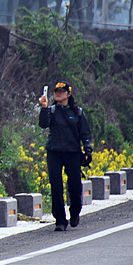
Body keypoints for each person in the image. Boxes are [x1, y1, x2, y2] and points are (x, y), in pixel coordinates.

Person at [38, 80, 93, 232]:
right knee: (56, 186)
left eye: (61, 91)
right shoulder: (52, 110)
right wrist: (44, 108)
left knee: (74, 186)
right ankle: (60, 221)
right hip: (55, 153)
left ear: (69, 94)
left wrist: (88, 150)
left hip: (72, 153)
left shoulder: (78, 112)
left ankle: (75, 212)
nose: (58, 94)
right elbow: (43, 124)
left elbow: (85, 134)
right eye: (56, 91)